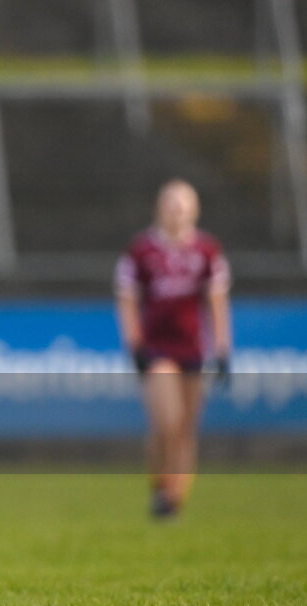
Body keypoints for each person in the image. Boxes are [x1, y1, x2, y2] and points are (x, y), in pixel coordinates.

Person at [115, 179, 232, 519]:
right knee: (167, 420)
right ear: (159, 207)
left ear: (194, 209)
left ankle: (173, 499)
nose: (176, 209)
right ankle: (162, 484)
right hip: (157, 348)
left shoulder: (207, 250)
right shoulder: (141, 250)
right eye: (170, 202)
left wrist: (222, 347)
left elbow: (216, 301)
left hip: (193, 349)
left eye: (183, 203)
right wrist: (133, 343)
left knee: (186, 427)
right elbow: (127, 300)